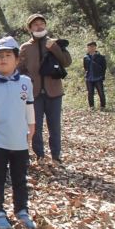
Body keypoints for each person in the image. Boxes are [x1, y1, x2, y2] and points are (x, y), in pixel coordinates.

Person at [0, 36, 36, 229]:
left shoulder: (26, 82)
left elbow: (29, 107)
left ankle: (22, 209)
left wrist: (32, 127)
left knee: (20, 177)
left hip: (19, 140)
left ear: (16, 59)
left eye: (7, 55)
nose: (3, 59)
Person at [18, 14, 71, 165]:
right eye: (35, 24)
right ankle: (39, 155)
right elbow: (19, 69)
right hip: (34, 93)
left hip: (54, 91)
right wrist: (28, 81)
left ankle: (56, 156)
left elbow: (67, 62)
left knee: (55, 125)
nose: (39, 26)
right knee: (35, 126)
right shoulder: (25, 47)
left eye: (42, 23)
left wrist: (54, 48)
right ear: (30, 28)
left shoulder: (54, 42)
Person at [83, 41, 107, 110]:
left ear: (95, 47)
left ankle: (103, 106)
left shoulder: (101, 57)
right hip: (89, 78)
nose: (91, 48)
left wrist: (102, 76)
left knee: (101, 92)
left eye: (92, 47)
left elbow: (104, 67)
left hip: (98, 77)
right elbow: (85, 67)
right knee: (90, 93)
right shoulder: (86, 57)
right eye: (89, 47)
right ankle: (91, 106)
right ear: (87, 48)